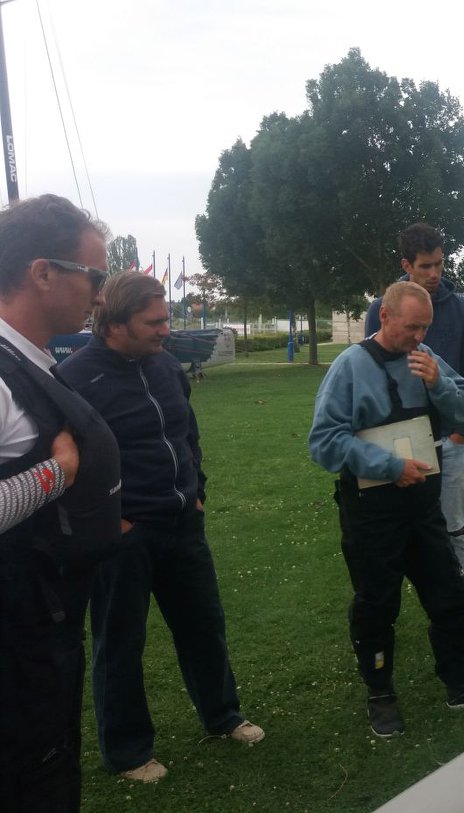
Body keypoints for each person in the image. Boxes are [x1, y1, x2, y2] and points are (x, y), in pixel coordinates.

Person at [58, 272, 263, 785]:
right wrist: (110, 520)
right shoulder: (75, 378)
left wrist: (197, 490)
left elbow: (186, 433)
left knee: (204, 625)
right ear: (115, 324)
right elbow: (66, 464)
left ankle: (223, 716)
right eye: (153, 322)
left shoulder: (166, 365)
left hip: (182, 522)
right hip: (123, 536)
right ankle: (127, 752)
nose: (165, 330)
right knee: (120, 642)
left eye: (165, 319)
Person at [312, 281, 464, 738]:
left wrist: (438, 383)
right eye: (411, 327)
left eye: (425, 327)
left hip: (423, 504)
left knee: (450, 594)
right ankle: (380, 695)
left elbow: (462, 413)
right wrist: (388, 466)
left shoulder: (426, 360)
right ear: (384, 317)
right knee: (376, 605)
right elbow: (324, 443)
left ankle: (463, 684)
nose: (419, 337)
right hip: (372, 510)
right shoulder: (349, 367)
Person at [0, 193, 122, 811]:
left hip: (45, 621)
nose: (100, 296)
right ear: (42, 272)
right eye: (93, 277)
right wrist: (57, 474)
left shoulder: (31, 360)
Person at [364, 223, 464, 651]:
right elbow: (372, 371)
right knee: (391, 535)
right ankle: (381, 627)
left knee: (455, 531)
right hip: (397, 441)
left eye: (439, 264)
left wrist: (460, 434)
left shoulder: (460, 311)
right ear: (406, 265)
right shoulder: (381, 308)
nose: (434, 273)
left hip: (448, 441)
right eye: (425, 266)